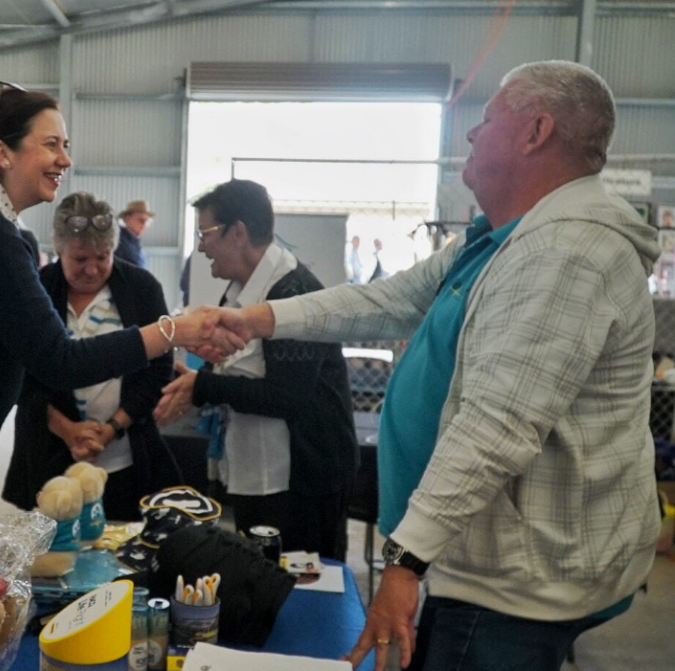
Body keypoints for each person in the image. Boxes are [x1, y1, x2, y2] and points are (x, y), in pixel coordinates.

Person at [200, 61, 660, 671]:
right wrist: (258, 319)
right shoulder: (501, 239)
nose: (470, 134)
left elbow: (497, 427)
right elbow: (384, 300)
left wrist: (405, 559)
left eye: (489, 118)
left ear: (536, 132)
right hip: (471, 559)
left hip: (515, 586)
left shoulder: (565, 253)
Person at [0, 84, 238, 671]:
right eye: (50, 144)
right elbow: (57, 359)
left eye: (66, 144)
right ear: (2, 152)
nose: (65, 158)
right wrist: (173, 329)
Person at [154, 179, 358, 560]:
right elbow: (240, 368)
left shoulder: (293, 293)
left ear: (239, 233)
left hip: (302, 483)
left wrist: (203, 386)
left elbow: (287, 396)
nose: (200, 246)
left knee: (300, 593)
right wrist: (206, 363)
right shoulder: (237, 290)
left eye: (206, 233)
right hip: (257, 471)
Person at [4, 191, 180, 521]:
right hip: (50, 453)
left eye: (103, 256)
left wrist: (113, 427)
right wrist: (67, 429)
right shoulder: (36, 288)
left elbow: (159, 370)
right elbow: (18, 375)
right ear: (58, 250)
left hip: (124, 455)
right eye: (80, 259)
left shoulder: (142, 288)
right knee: (53, 557)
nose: (93, 269)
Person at [115, 199, 152, 268]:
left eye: (146, 221)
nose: (144, 225)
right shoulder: (119, 243)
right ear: (127, 219)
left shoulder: (135, 244)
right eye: (141, 220)